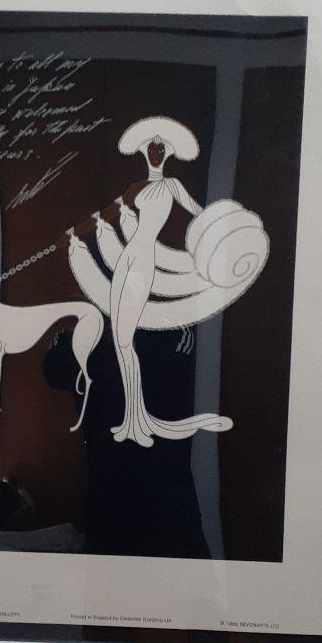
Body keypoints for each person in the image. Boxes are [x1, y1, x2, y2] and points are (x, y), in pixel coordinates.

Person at [108, 116, 233, 447]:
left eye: (160, 149)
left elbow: (198, 211)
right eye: (151, 148)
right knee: (119, 340)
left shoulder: (172, 185)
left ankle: (138, 420)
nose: (155, 153)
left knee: (127, 340)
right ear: (144, 151)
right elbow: (111, 213)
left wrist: (220, 230)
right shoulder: (137, 188)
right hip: (127, 258)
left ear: (168, 153)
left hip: (144, 260)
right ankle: (131, 418)